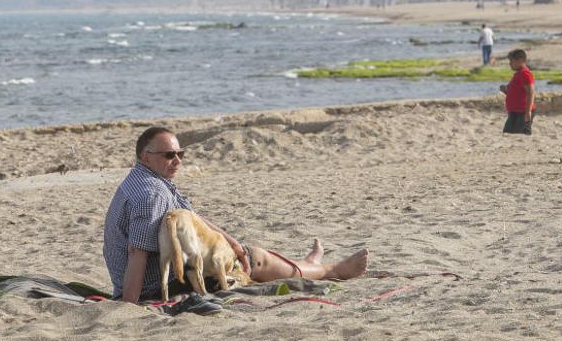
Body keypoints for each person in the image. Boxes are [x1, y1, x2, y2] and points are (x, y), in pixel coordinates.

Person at [103, 127, 369, 307]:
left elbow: (193, 216)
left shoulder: (147, 180)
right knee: (255, 259)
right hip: (155, 286)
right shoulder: (151, 195)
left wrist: (232, 242)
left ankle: (305, 265)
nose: (178, 161)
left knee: (242, 251)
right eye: (169, 155)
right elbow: (137, 253)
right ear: (145, 157)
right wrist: (129, 305)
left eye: (180, 154)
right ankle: (330, 271)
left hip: (164, 273)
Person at [499, 49, 536, 135]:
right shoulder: (518, 73)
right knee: (507, 133)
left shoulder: (525, 74)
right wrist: (506, 90)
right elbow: (517, 92)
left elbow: (530, 92)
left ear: (520, 61)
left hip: (523, 112)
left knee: (518, 135)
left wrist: (528, 112)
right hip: (515, 112)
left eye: (512, 61)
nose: (510, 64)